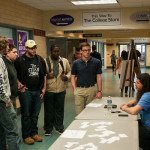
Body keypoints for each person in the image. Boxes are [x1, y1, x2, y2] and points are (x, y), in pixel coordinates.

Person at [14, 40, 46, 145]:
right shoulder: (20, 60)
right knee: (26, 114)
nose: (34, 50)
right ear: (26, 48)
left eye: (35, 48)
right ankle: (26, 135)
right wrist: (20, 85)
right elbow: (13, 74)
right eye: (31, 48)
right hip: (25, 92)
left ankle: (34, 133)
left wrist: (44, 88)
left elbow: (44, 75)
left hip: (38, 91)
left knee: (35, 114)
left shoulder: (40, 59)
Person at [44, 44, 71, 135]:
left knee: (59, 109)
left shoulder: (64, 61)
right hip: (49, 90)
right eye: (54, 51)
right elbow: (42, 75)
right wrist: (47, 76)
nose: (56, 53)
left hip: (61, 89)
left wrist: (66, 77)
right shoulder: (45, 61)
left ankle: (59, 127)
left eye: (58, 51)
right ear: (51, 51)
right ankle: (48, 128)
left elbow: (69, 71)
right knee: (49, 110)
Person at [120, 73, 150, 150]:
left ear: (145, 84)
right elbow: (136, 101)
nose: (135, 85)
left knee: (129, 129)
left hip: (148, 128)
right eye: (135, 82)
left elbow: (134, 111)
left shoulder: (147, 95)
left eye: (138, 83)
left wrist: (124, 108)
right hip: (145, 124)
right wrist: (126, 104)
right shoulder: (146, 93)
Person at [71, 42, 102, 115]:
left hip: (91, 89)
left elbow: (99, 76)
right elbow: (73, 77)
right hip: (79, 90)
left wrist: (99, 91)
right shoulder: (76, 63)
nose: (87, 52)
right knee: (79, 114)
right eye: (85, 50)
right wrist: (74, 89)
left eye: (88, 50)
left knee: (91, 113)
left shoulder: (96, 62)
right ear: (81, 51)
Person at [0, 36, 20, 150]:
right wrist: (7, 100)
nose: (8, 47)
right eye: (7, 45)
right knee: (12, 132)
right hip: (3, 103)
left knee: (2, 131)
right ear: (3, 46)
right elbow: (0, 85)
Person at [3, 44, 18, 112]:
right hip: (7, 99)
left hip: (13, 96)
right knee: (11, 121)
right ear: (8, 53)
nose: (16, 54)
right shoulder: (3, 64)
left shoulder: (12, 63)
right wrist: (6, 100)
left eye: (16, 52)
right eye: (14, 52)